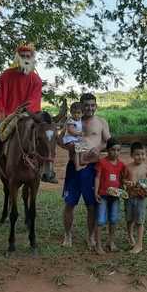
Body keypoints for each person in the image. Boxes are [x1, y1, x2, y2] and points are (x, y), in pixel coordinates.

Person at [0, 43, 43, 188]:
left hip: (26, 116)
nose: (26, 58)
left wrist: (24, 112)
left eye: (28, 56)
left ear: (32, 57)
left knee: (44, 137)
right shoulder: (6, 75)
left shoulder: (36, 80)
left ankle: (45, 169)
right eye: (23, 56)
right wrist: (3, 114)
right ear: (18, 57)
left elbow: (34, 100)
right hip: (5, 115)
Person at [61, 93, 111, 249]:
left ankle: (90, 237)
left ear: (96, 106)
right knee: (70, 203)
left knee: (92, 205)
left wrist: (98, 149)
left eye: (92, 105)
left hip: (92, 168)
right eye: (86, 105)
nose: (89, 108)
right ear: (80, 106)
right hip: (74, 167)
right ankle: (67, 235)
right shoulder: (73, 121)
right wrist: (72, 146)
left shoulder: (101, 122)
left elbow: (108, 142)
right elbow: (60, 141)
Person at [93, 138, 125, 255]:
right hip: (103, 195)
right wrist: (96, 192)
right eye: (113, 150)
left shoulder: (121, 165)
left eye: (118, 150)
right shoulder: (102, 162)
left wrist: (123, 190)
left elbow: (122, 179)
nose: (115, 153)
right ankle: (98, 245)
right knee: (101, 220)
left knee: (113, 219)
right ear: (107, 150)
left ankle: (111, 242)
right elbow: (97, 177)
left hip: (115, 196)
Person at [124, 142, 147, 254]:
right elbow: (123, 180)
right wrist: (127, 183)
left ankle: (139, 244)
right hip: (129, 197)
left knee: (139, 221)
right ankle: (130, 236)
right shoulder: (128, 168)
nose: (140, 157)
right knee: (129, 219)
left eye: (143, 154)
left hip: (141, 198)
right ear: (131, 155)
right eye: (137, 154)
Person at [62, 102, 90, 170]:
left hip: (75, 138)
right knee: (77, 149)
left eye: (78, 113)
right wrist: (78, 134)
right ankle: (77, 166)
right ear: (71, 112)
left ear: (82, 113)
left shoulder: (80, 120)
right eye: (74, 113)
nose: (76, 115)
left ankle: (81, 159)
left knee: (84, 144)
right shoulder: (71, 120)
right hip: (70, 139)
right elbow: (70, 130)